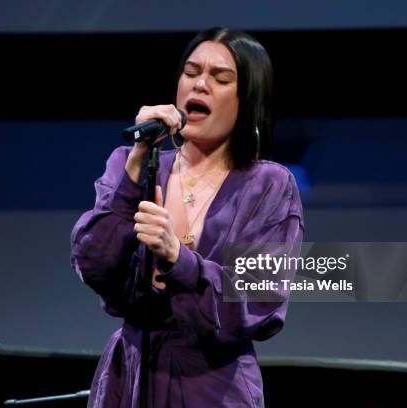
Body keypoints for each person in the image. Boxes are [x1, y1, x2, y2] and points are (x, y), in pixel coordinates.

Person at [70, 27, 304, 408]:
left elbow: (258, 301)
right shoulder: (131, 166)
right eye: (192, 73)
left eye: (221, 78)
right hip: (129, 378)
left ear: (246, 99)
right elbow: (92, 263)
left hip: (213, 385)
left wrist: (179, 259)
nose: (201, 85)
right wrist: (134, 166)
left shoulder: (268, 185)